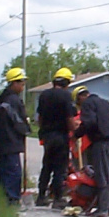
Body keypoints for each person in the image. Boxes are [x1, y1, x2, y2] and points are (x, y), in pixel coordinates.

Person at [73, 86, 109, 217]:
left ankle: (102, 209)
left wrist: (77, 134)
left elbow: (89, 123)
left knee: (101, 175)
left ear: (80, 97)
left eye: (78, 103)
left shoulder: (88, 105)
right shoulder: (106, 103)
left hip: (101, 142)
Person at [36, 67, 77, 209]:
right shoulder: (66, 96)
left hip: (47, 136)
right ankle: (58, 198)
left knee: (47, 165)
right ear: (66, 82)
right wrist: (75, 130)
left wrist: (43, 130)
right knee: (60, 167)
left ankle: (41, 196)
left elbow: (39, 117)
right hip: (60, 136)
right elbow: (69, 118)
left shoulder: (44, 95)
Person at [0, 67, 31, 204]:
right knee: (13, 173)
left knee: (3, 172)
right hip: (11, 142)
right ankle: (12, 199)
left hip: (1, 143)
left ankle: (2, 197)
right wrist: (26, 130)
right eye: (22, 83)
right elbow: (18, 121)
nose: (23, 86)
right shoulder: (13, 100)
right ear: (14, 83)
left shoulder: (2, 99)